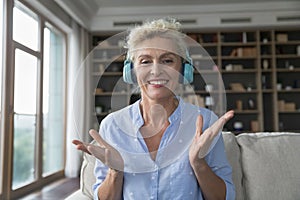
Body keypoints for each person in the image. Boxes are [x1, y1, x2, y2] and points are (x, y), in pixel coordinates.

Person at [73, 18, 235, 200]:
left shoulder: (205, 123)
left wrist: (199, 163)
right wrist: (115, 172)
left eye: (167, 60)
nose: (156, 71)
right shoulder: (113, 126)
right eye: (145, 61)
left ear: (183, 70)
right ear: (131, 71)